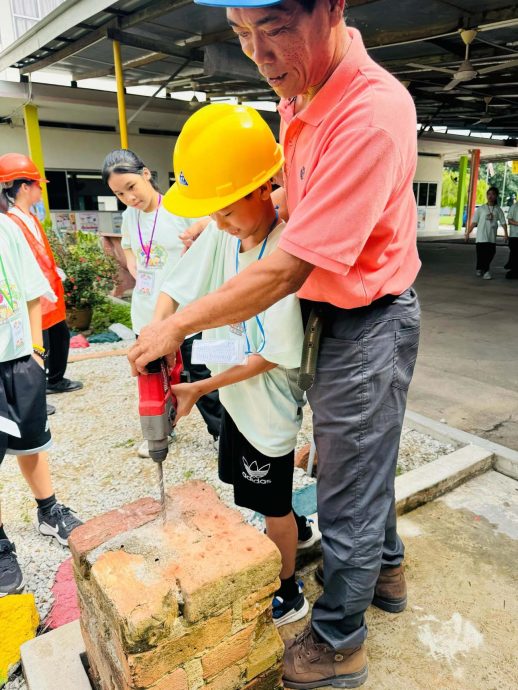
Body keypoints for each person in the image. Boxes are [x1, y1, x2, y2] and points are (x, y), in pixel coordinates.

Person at [129, 1, 421, 687]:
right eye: (240, 34)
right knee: (362, 461)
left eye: (276, 28)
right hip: (335, 304)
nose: (258, 55)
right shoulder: (299, 89)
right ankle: (388, 568)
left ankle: (338, 642)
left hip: (368, 316)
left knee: (346, 488)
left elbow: (287, 269)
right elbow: (300, 198)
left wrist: (176, 325)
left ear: (331, 8)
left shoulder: (370, 114)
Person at [155, 102, 319, 626]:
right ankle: (298, 526)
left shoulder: (281, 258)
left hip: (267, 412)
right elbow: (176, 287)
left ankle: (288, 590)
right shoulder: (227, 235)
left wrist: (199, 390)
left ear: (262, 189)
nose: (217, 224)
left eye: (225, 211)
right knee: (251, 489)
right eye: (212, 213)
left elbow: (268, 356)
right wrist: (156, 333)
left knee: (269, 505)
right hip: (238, 403)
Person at [101, 150, 222, 455]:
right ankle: (161, 430)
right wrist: (132, 265)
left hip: (187, 310)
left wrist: (199, 231)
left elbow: (213, 224)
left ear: (146, 174)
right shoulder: (129, 217)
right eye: (119, 193)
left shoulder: (180, 206)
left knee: (201, 371)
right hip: (147, 312)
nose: (129, 197)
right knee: (155, 376)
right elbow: (128, 246)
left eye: (131, 187)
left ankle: (220, 432)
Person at [0, 209, 83, 596]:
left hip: (19, 360)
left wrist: (35, 352)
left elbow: (32, 292)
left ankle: (48, 511)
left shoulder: (7, 228)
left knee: (32, 442)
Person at [0, 153, 83, 401]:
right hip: (34, 297)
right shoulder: (11, 222)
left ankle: (55, 380)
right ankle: (35, 395)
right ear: (24, 187)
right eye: (37, 185)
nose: (40, 190)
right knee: (38, 346)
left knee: (59, 338)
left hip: (49, 293)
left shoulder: (31, 217)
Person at [465, 186, 508, 280]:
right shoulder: (481, 209)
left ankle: (480, 268)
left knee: (491, 253)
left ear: (496, 196)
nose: (490, 196)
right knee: (481, 255)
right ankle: (486, 271)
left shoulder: (498, 210)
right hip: (481, 237)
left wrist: (506, 234)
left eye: (493, 194)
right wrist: (467, 233)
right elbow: (474, 222)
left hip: (491, 237)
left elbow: (503, 222)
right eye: (488, 194)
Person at [505, 199, 518, 279]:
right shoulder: (514, 207)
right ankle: (513, 271)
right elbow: (509, 220)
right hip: (515, 236)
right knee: (515, 254)